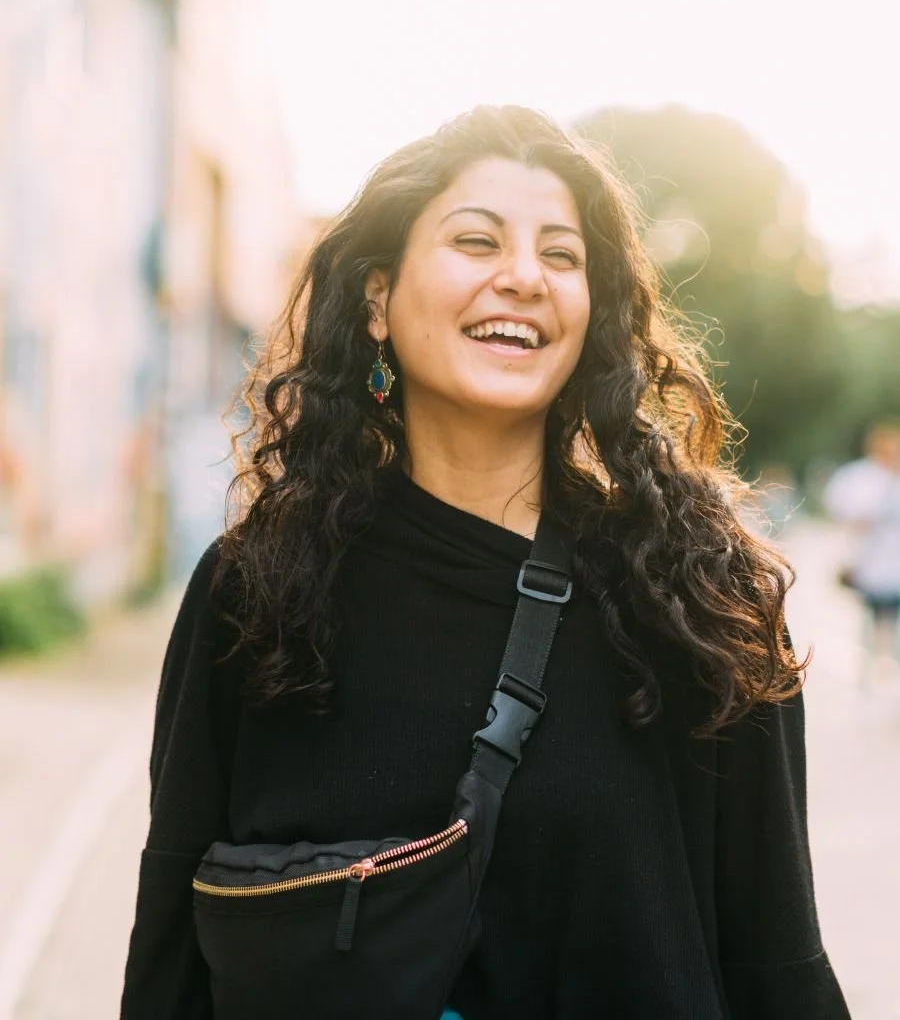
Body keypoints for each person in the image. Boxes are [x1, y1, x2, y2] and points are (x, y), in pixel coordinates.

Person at [121, 105, 849, 1019]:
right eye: (476, 241)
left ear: (595, 314)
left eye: (560, 255)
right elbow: (172, 955)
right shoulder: (258, 591)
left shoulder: (700, 598)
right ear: (378, 300)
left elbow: (777, 962)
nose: (522, 278)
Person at [824, 419, 900, 687]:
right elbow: (844, 510)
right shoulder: (860, 477)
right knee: (872, 619)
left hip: (894, 563)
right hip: (871, 563)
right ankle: (867, 674)